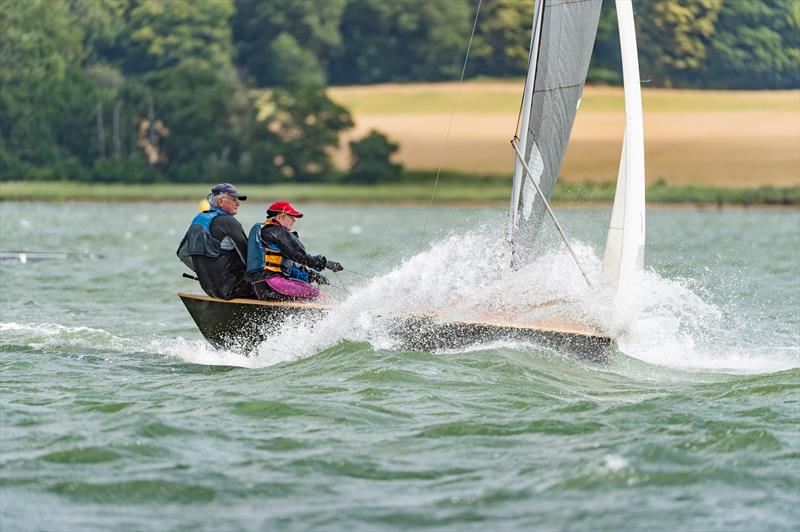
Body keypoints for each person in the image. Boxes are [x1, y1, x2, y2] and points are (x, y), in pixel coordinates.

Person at [246, 201, 343, 300]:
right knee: (321, 296)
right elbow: (301, 257)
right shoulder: (278, 232)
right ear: (279, 217)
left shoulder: (267, 232)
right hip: (271, 283)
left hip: (262, 285)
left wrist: (312, 276)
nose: (294, 220)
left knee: (310, 290)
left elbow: (289, 266)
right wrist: (326, 263)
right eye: (291, 216)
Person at [177, 183, 252, 300]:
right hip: (234, 288)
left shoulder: (199, 220)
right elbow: (249, 258)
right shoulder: (229, 222)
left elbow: (182, 254)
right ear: (221, 202)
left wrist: (204, 273)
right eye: (234, 199)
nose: (238, 203)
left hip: (209, 289)